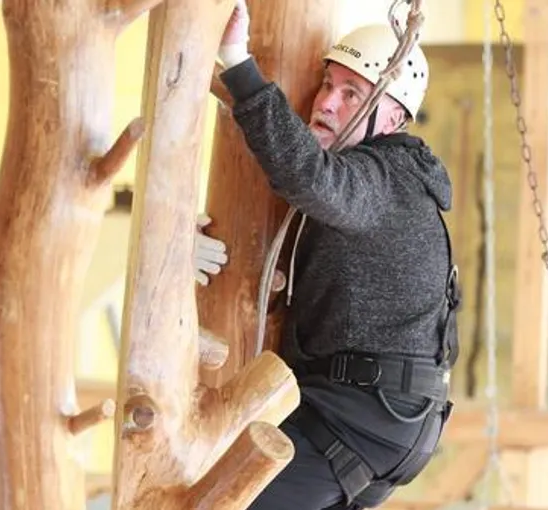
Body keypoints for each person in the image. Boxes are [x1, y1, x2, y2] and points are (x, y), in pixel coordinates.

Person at [194, 3, 461, 509]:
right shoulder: (381, 185)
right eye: (327, 84)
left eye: (352, 93)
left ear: (394, 117)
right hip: (379, 418)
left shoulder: (387, 177)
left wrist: (238, 62)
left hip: (362, 416)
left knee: (218, 496)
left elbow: (310, 177)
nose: (327, 103)